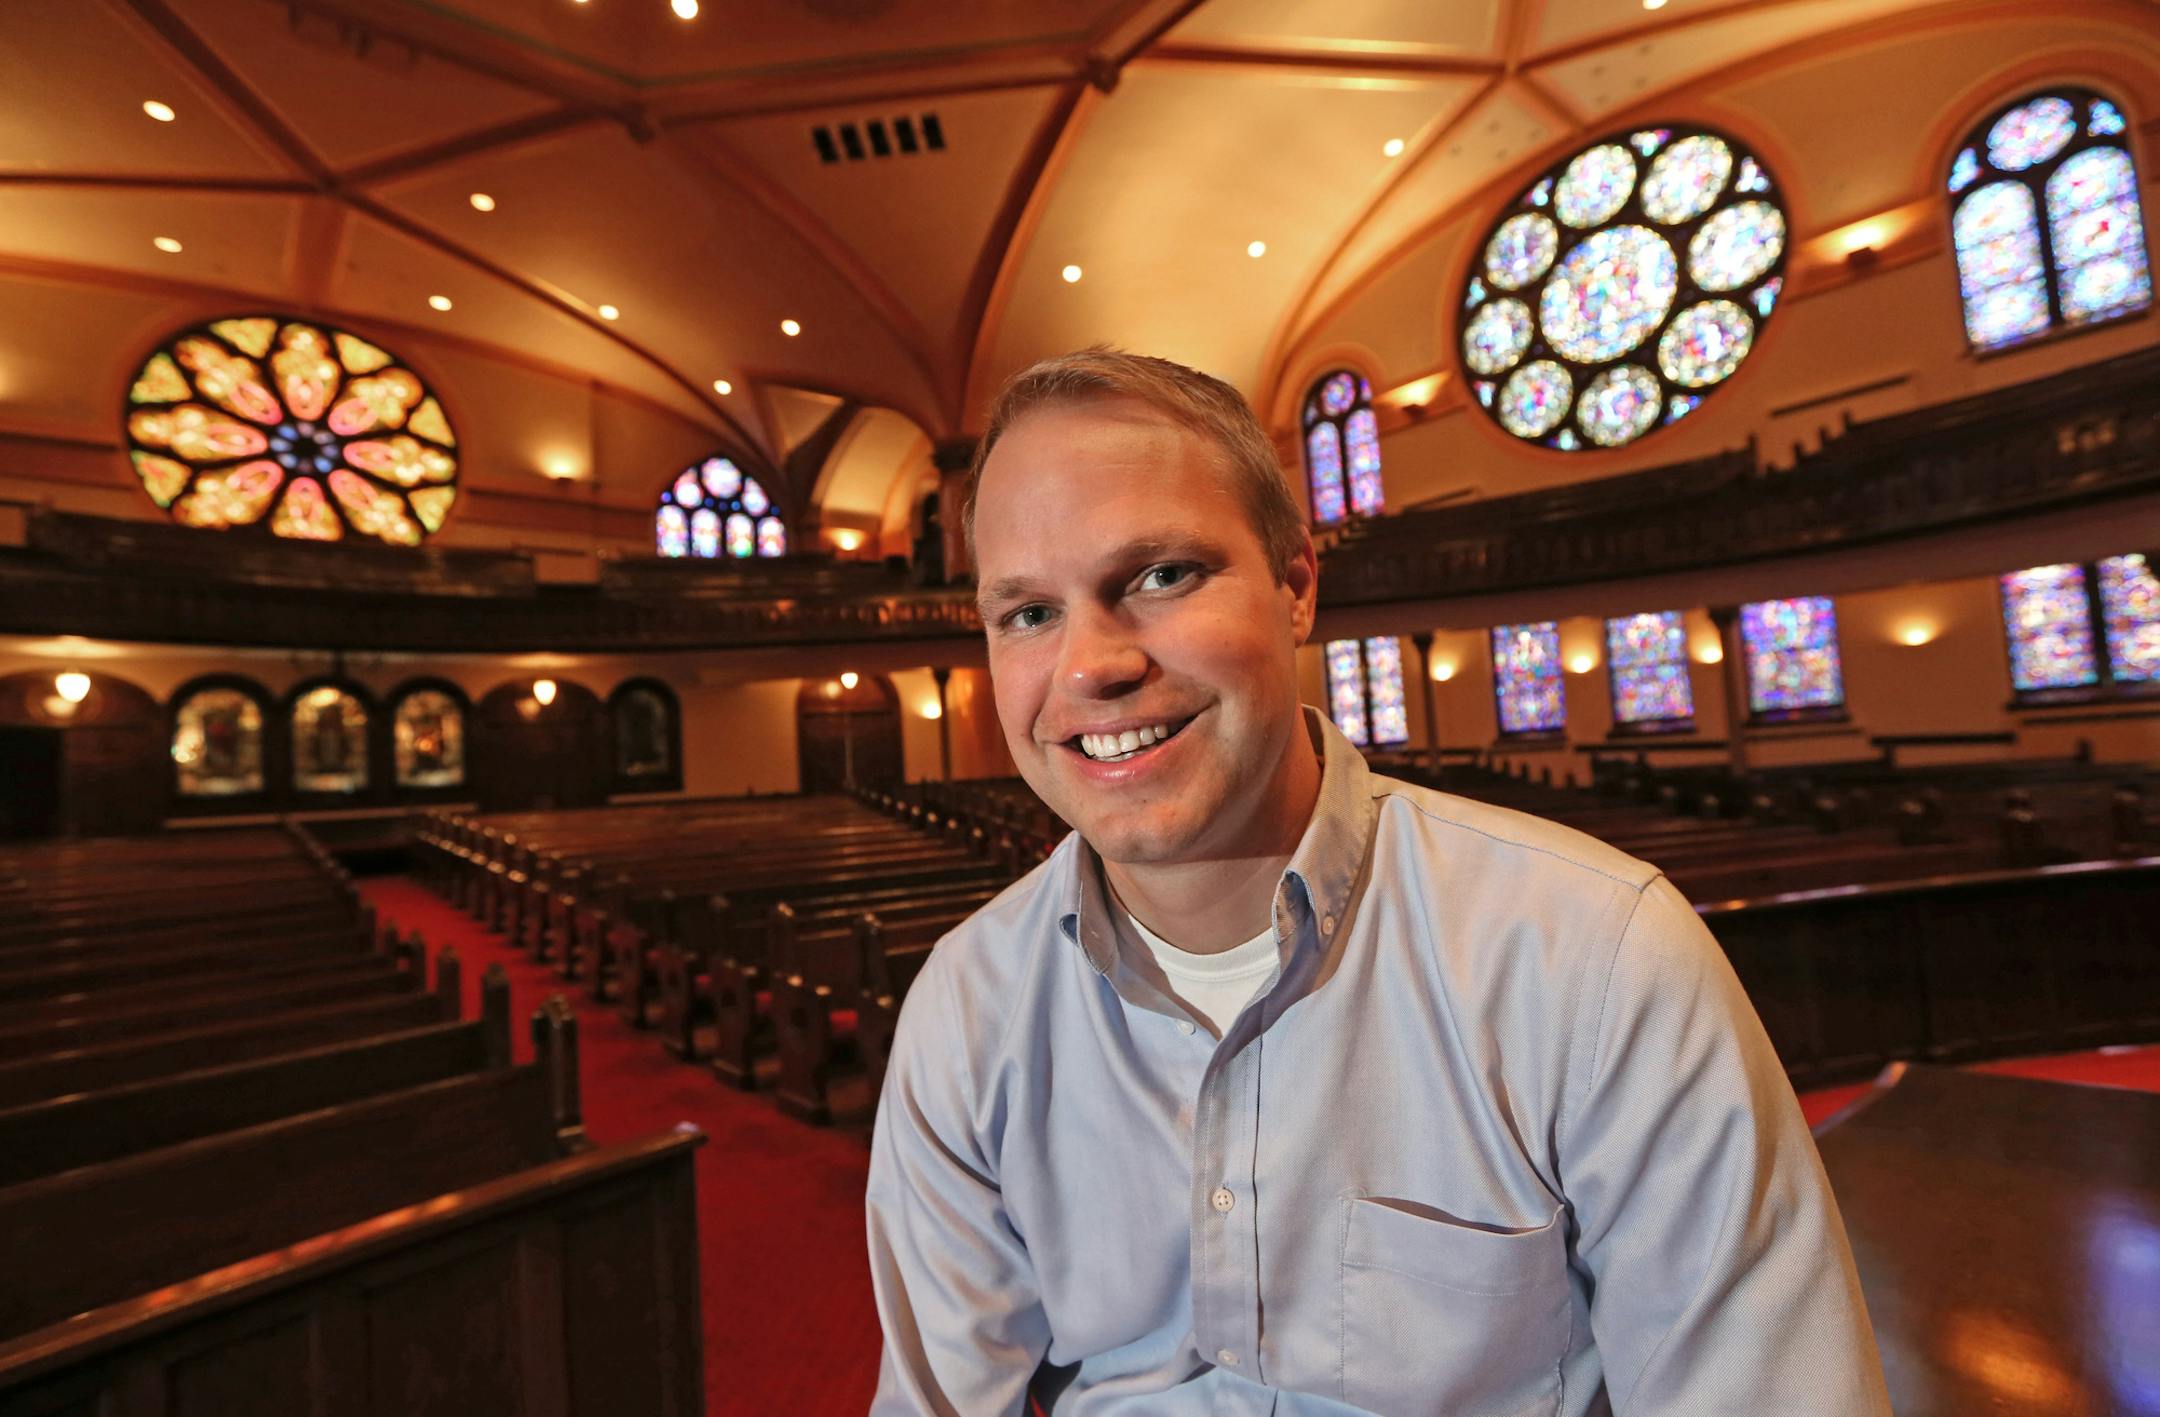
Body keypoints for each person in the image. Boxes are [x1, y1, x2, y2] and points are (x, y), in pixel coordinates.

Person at [865, 348, 1891, 1416]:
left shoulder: (1593, 954)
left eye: (1161, 575)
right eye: (1028, 613)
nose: (1092, 665)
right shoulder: (967, 1002)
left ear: (1296, 587)